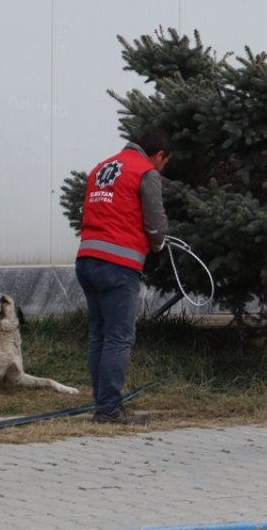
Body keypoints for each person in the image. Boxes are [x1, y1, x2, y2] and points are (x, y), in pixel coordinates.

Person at [76, 130, 171, 426]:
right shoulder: (146, 172)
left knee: (99, 335)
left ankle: (102, 404)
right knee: (119, 337)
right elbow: (155, 221)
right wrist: (158, 243)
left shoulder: (102, 167)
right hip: (118, 265)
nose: (162, 168)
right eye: (164, 163)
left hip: (86, 259)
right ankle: (108, 410)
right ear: (158, 156)